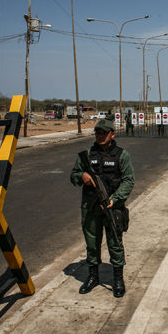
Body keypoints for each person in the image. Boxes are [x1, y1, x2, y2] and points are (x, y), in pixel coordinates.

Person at [70, 118, 135, 298]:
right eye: (97, 133)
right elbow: (73, 175)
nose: (99, 136)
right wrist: (82, 175)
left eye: (103, 133)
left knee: (115, 242)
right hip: (90, 207)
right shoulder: (88, 155)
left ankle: (118, 279)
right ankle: (93, 276)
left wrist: (115, 199)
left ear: (112, 134)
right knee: (92, 244)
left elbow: (129, 180)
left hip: (112, 207)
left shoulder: (122, 155)